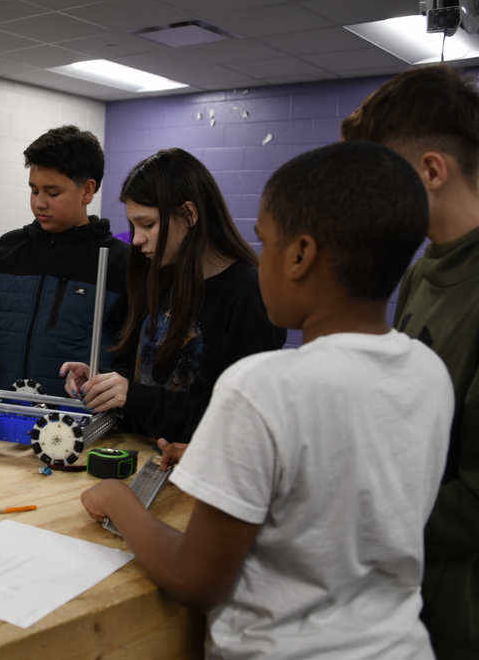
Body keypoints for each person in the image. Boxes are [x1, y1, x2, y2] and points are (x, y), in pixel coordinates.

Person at [82, 141, 453, 659]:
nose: (258, 259)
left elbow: (197, 580)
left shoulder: (263, 385)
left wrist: (118, 502)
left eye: (267, 242)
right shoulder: (428, 370)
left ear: (300, 255)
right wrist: (230, 458)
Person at [341, 64, 479, 660]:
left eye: (377, 178)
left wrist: (348, 513)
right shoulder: (422, 270)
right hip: (399, 596)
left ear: (431, 171)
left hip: (463, 618)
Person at [61, 148, 286, 443]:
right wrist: (106, 382)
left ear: (190, 214)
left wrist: (134, 395)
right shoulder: (159, 276)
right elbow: (141, 373)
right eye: (134, 225)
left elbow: (234, 419)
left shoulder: (246, 293)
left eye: (148, 224)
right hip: (139, 454)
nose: (137, 239)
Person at [0, 125, 129, 395]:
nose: (39, 202)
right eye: (34, 190)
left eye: (52, 193)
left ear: (87, 191)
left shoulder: (121, 264)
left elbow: (130, 361)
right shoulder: (1, 253)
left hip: (75, 417)